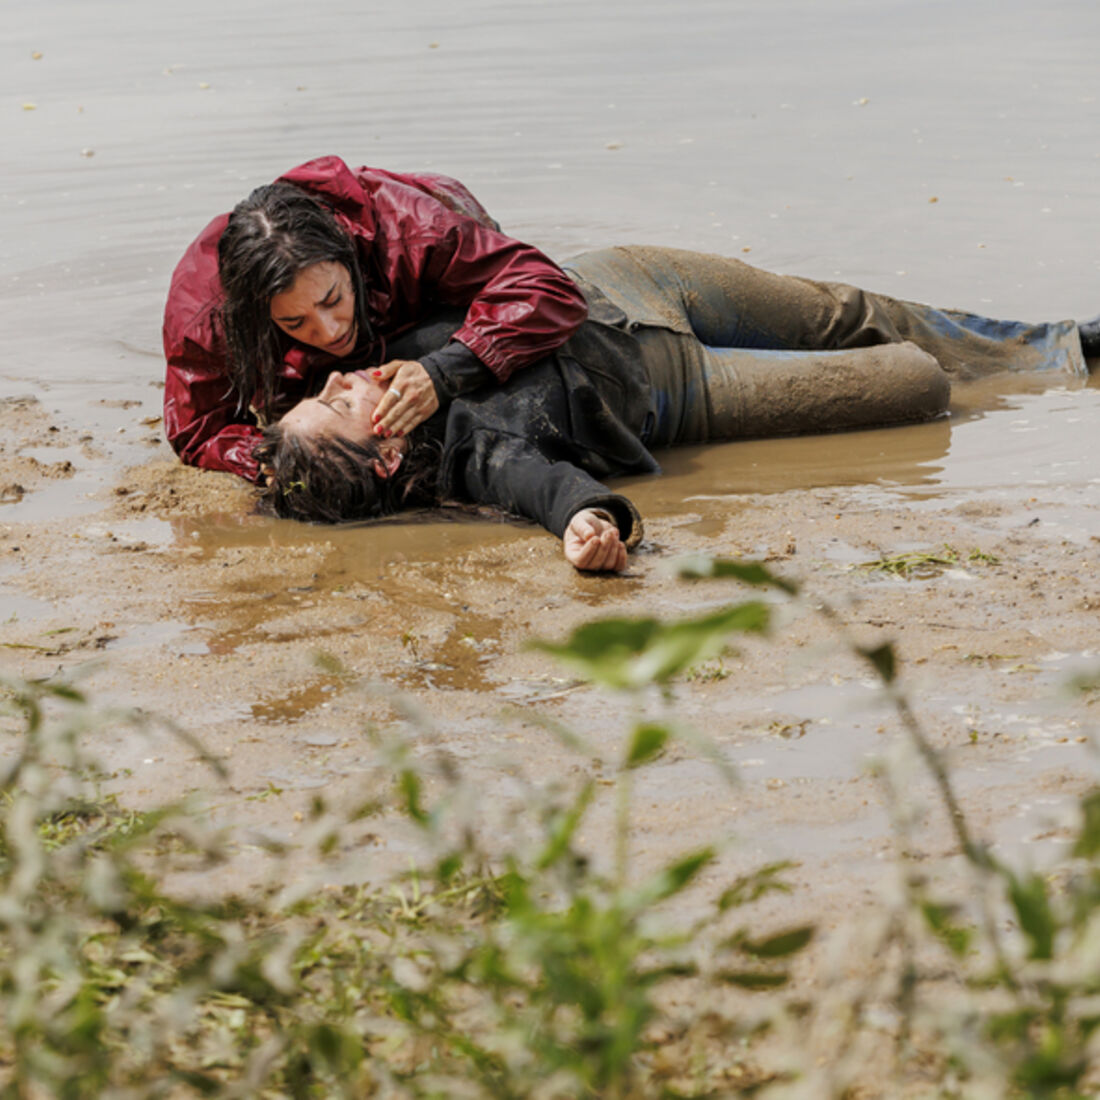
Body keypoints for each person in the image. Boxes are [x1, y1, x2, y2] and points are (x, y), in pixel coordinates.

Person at [163, 156, 1097, 573]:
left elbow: (536, 282)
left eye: (338, 303)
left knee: (846, 311)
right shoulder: (459, 458)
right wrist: (293, 460)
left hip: (625, 288)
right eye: (300, 328)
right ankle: (1007, 386)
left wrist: (445, 367)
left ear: (354, 259)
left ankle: (1058, 347)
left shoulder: (402, 229)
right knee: (911, 382)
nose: (332, 347)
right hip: (670, 393)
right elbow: (541, 482)